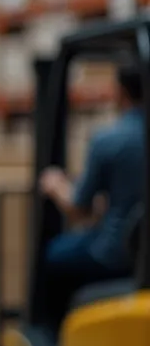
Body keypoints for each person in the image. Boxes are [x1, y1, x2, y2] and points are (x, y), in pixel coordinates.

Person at [37, 64, 146, 328]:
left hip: (116, 254)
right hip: (142, 251)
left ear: (120, 92)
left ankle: (56, 335)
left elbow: (78, 209)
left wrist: (55, 185)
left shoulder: (109, 140)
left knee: (53, 255)